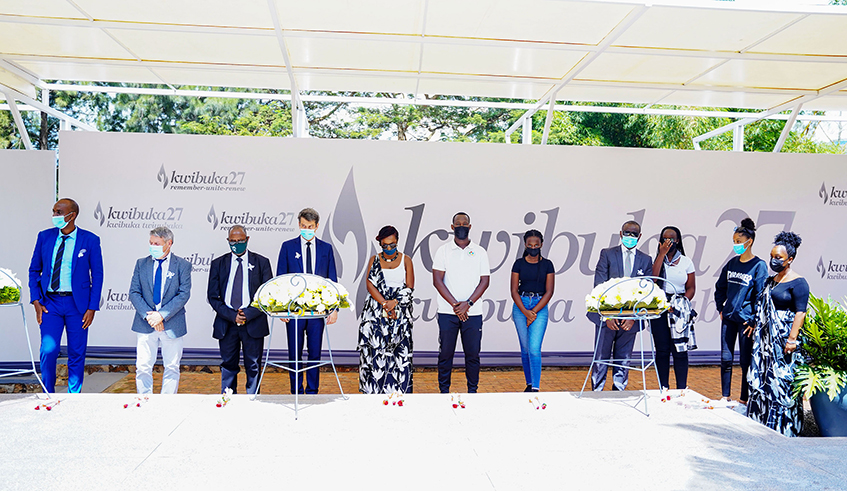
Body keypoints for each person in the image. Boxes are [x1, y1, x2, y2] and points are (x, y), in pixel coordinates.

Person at [28, 198, 103, 393]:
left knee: (76, 352)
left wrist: (92, 307)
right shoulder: (45, 237)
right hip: (50, 303)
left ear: (72, 215)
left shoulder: (90, 240)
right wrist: (36, 300)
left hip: (77, 305)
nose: (55, 216)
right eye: (54, 211)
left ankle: (73, 398)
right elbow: (34, 269)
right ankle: (48, 394)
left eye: (59, 212)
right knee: (48, 350)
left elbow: (98, 274)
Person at [747, 232, 808, 437]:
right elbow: (763, 307)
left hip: (783, 341)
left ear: (790, 259)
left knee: (783, 382)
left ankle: (785, 427)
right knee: (764, 380)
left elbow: (800, 312)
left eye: (779, 257)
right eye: (772, 255)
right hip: (766, 344)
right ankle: (763, 422)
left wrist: (792, 339)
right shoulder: (770, 281)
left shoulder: (798, 283)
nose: (774, 260)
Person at [276, 208, 338, 394]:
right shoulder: (288, 247)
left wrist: (334, 308)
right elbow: (281, 279)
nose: (306, 229)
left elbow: (332, 280)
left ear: (317, 226)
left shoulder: (326, 248)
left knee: (314, 353)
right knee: (294, 354)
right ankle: (296, 391)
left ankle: (312, 391)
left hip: (317, 311)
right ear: (299, 224)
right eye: (303, 226)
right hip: (294, 311)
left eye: (310, 226)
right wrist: (281, 309)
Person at [587, 220, 653, 391]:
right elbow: (599, 285)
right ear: (621, 234)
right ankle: (597, 392)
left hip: (630, 319)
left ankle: (618, 391)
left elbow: (646, 291)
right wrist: (608, 315)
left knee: (623, 358)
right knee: (601, 357)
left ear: (640, 237)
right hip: (607, 318)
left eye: (634, 234)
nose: (630, 236)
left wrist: (632, 316)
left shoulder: (646, 260)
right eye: (627, 233)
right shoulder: (607, 254)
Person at [207, 225, 273, 394]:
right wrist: (232, 316)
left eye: (240, 241)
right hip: (226, 323)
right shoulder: (218, 264)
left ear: (247, 239)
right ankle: (228, 400)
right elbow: (213, 297)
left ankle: (253, 401)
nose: (236, 244)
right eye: (233, 241)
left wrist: (248, 314)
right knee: (228, 365)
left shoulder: (261, 263)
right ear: (228, 241)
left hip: (253, 323)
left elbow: (268, 295)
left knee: (253, 366)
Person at [128, 226, 192, 394]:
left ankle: (167, 404)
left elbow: (183, 294)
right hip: (145, 323)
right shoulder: (141, 264)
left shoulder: (183, 265)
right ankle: (144, 400)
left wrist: (161, 316)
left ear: (169, 243)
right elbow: (134, 292)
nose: (152, 246)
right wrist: (150, 317)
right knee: (142, 366)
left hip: (172, 324)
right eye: (151, 243)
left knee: (171, 367)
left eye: (157, 243)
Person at [432, 212, 490, 393]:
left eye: (465, 223)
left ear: (470, 227)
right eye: (458, 223)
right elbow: (437, 281)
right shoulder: (443, 251)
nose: (462, 226)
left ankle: (472, 391)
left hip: (473, 313)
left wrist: (469, 304)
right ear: (452, 227)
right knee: (445, 354)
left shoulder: (480, 252)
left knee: (472, 355)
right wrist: (457, 306)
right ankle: (444, 391)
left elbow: (485, 281)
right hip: (448, 312)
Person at [714, 218, 767, 404]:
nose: (736, 245)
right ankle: (725, 396)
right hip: (728, 318)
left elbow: (761, 296)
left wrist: (754, 319)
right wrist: (721, 307)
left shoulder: (759, 266)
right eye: (734, 241)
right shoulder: (731, 264)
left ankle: (744, 400)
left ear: (749, 241)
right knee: (726, 358)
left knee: (745, 361)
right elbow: (719, 287)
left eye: (738, 241)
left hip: (746, 321)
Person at [358, 225, 416, 394]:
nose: (389, 248)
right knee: (376, 352)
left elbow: (410, 287)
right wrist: (384, 303)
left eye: (392, 245)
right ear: (380, 243)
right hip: (376, 312)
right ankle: (372, 393)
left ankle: (399, 394)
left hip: (400, 313)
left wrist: (394, 302)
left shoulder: (406, 260)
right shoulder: (374, 259)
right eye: (385, 245)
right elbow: (370, 284)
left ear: (397, 242)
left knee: (399, 353)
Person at [651, 226, 696, 391]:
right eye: (665, 239)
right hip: (660, 308)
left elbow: (691, 287)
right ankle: (664, 387)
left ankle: (681, 389)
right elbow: (653, 281)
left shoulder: (686, 261)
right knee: (662, 350)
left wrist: (682, 302)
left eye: (672, 239)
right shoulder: (656, 259)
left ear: (678, 240)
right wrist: (662, 255)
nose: (668, 242)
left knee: (680, 350)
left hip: (678, 309)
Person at [510, 230, 554, 392]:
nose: (533, 247)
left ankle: (535, 387)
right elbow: (514, 290)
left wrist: (533, 311)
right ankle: (529, 383)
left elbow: (549, 291)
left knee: (534, 348)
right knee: (525, 348)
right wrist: (525, 311)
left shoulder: (547, 264)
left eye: (536, 245)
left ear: (541, 244)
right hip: (520, 305)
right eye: (530, 245)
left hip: (539, 306)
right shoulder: (518, 264)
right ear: (525, 245)